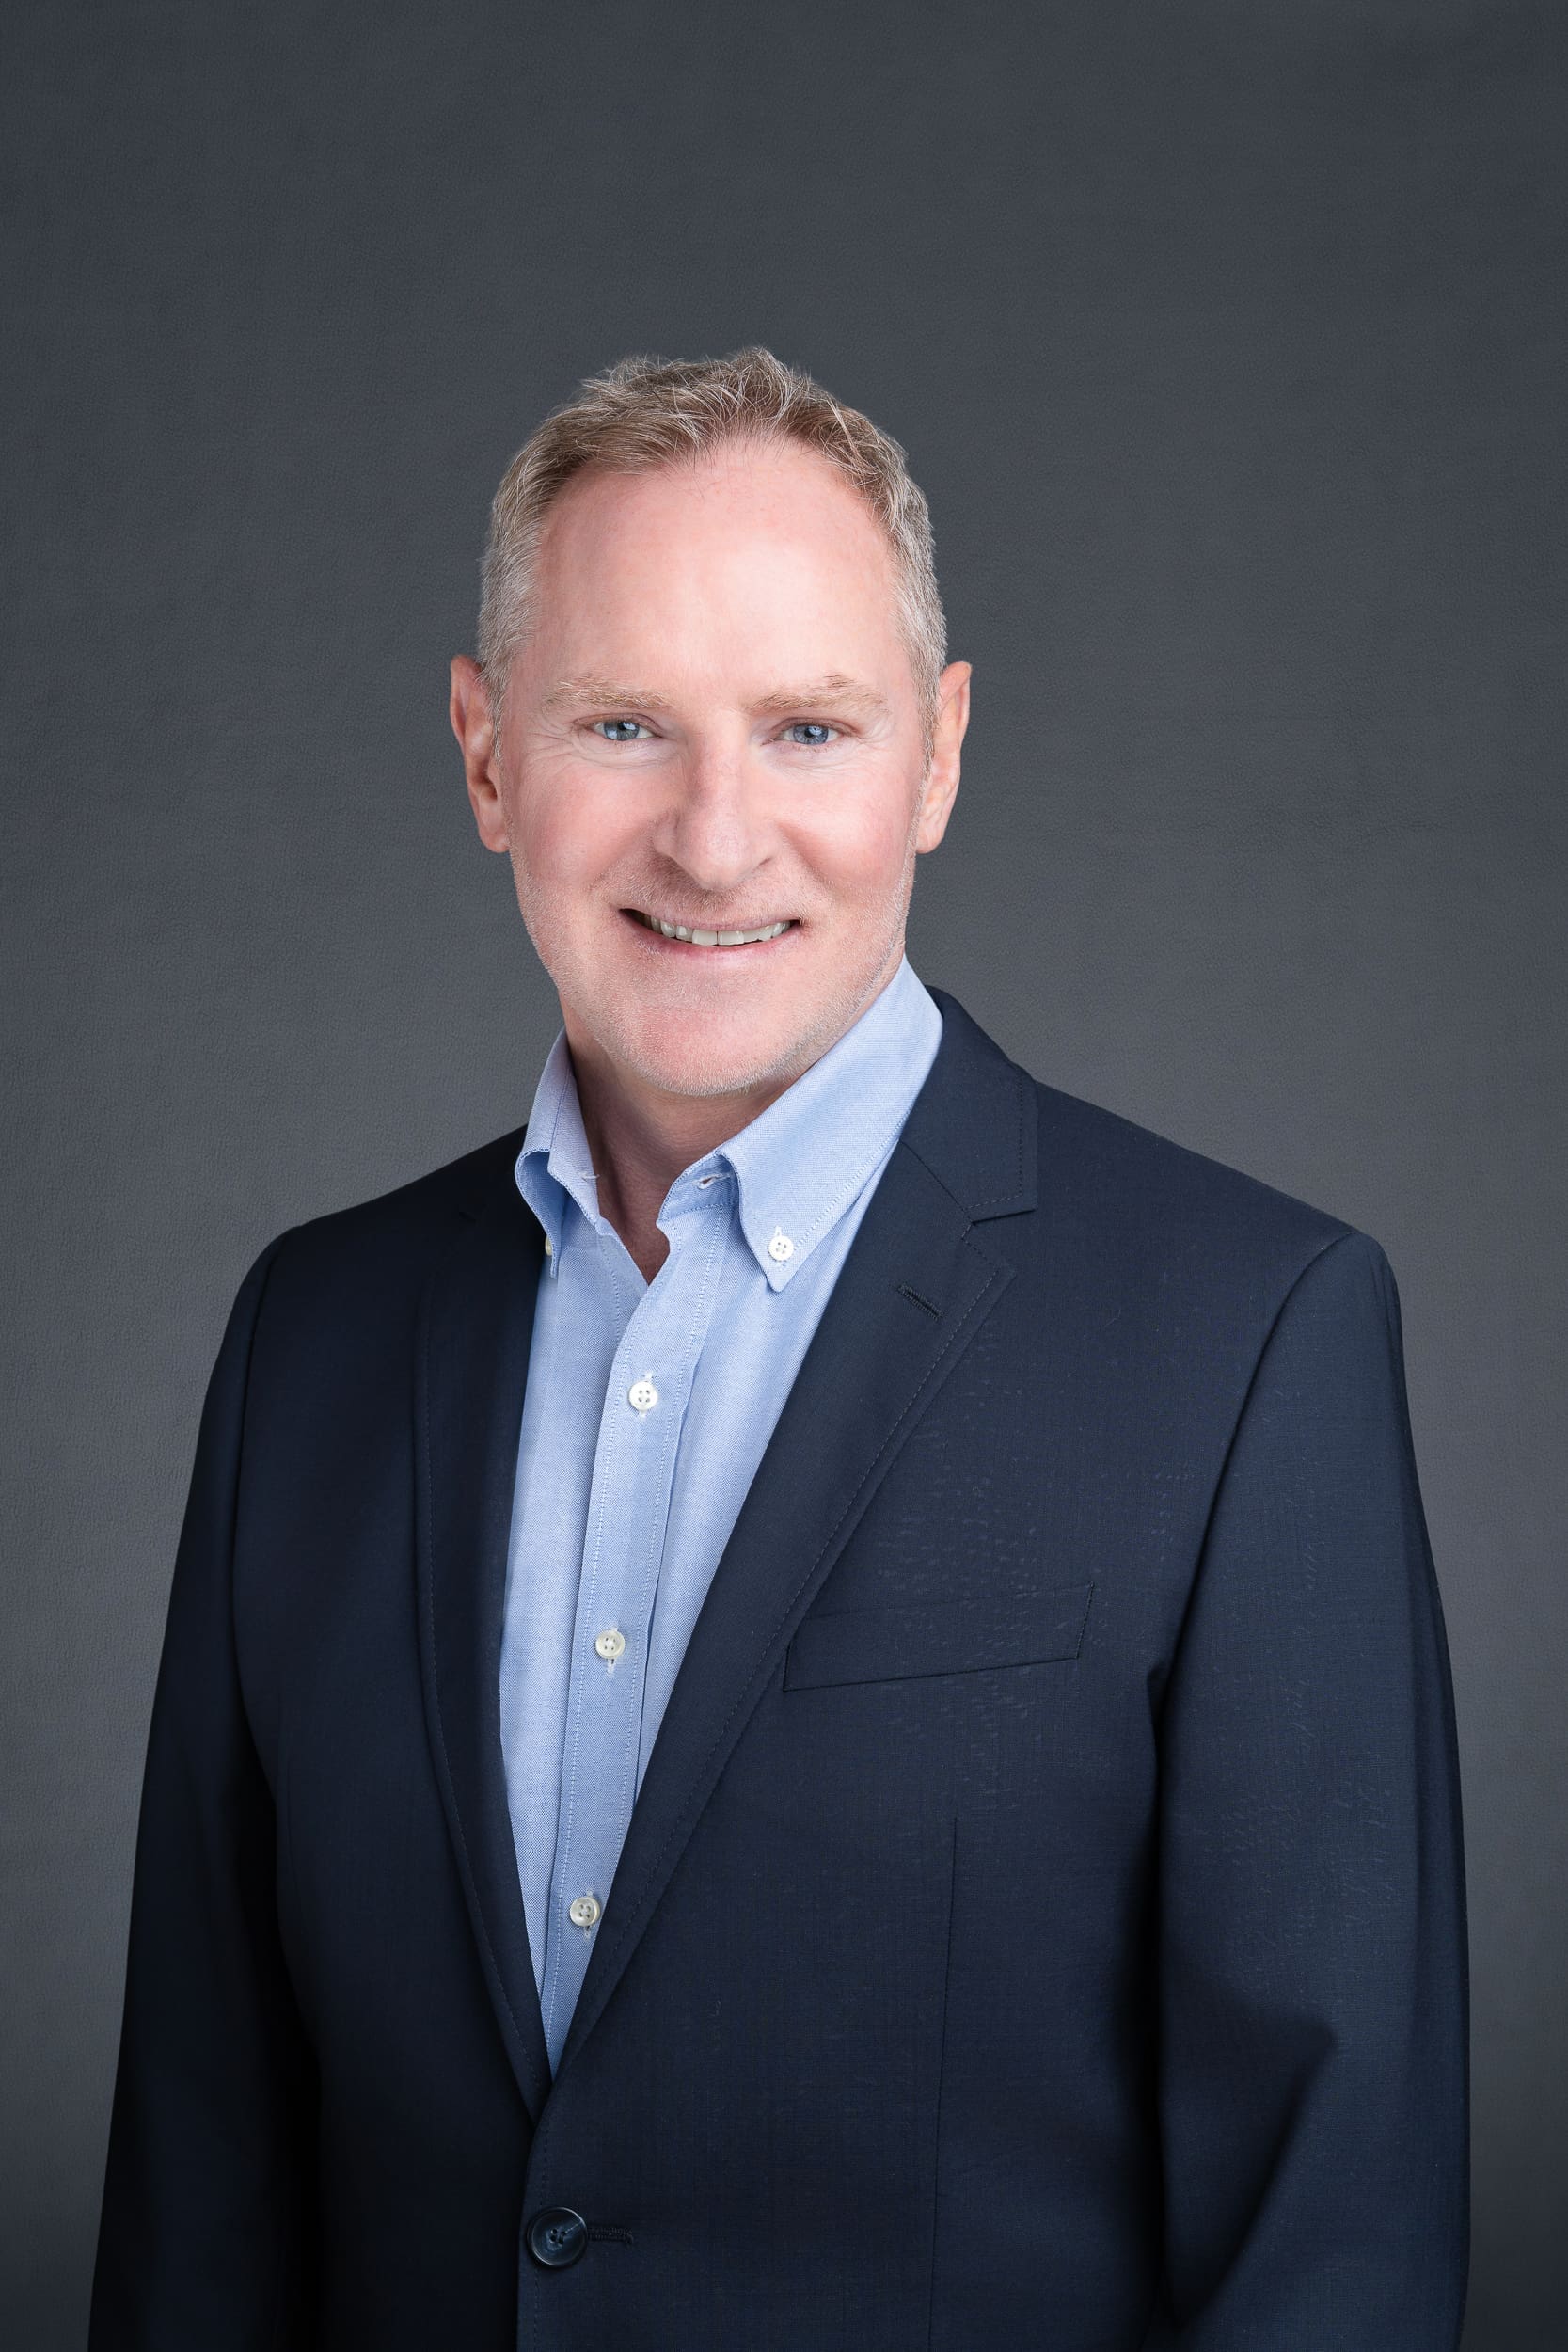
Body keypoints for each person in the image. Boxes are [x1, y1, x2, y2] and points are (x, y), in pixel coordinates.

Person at [89, 348, 1468, 2348]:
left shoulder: (1250, 1337)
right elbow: (204, 2185)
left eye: (809, 726)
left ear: (939, 753)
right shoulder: (313, 1333)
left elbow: (1327, 2236)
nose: (715, 838)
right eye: (624, 721)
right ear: (486, 755)